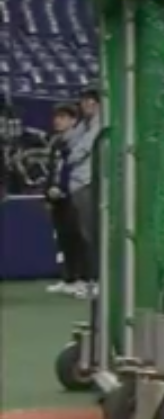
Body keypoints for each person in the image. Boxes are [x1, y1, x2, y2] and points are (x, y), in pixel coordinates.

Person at [43, 103, 98, 297]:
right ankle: (70, 279)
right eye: (56, 117)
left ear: (74, 121)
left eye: (63, 117)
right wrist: (48, 192)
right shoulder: (57, 141)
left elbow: (71, 167)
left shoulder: (76, 140)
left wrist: (63, 188)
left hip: (73, 192)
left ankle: (85, 279)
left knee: (79, 237)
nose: (58, 121)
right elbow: (53, 169)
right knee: (64, 238)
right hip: (57, 196)